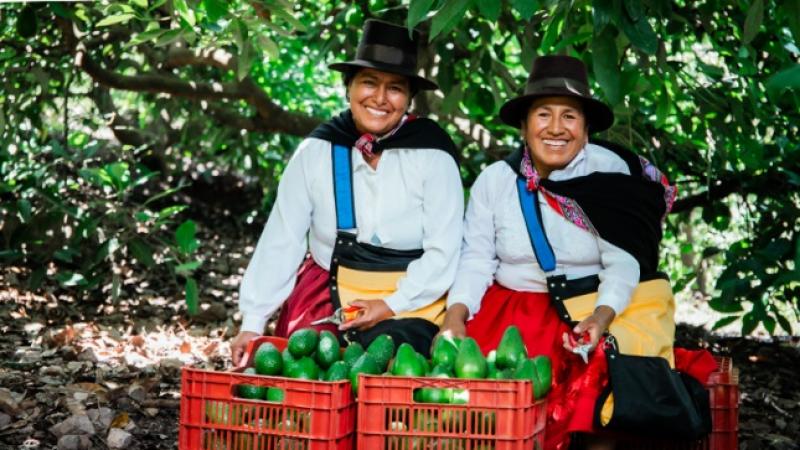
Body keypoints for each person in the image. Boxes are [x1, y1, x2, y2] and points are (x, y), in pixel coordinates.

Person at [440, 55, 679, 449]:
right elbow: (477, 258)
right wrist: (456, 314)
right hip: (515, 310)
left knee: (604, 398)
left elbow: (623, 262)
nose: (555, 128)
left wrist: (601, 317)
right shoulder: (496, 181)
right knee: (485, 403)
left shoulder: (610, 175)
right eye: (543, 115)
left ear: (585, 130)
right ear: (524, 126)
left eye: (569, 116)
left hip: (596, 304)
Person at [230, 19, 463, 366]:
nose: (380, 98)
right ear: (349, 87)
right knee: (308, 369)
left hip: (413, 302)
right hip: (328, 295)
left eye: (395, 88)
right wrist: (252, 322)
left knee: (389, 369)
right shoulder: (316, 151)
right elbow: (283, 237)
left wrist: (389, 306)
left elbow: (445, 250)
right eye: (369, 83)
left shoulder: (433, 155)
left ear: (409, 99)